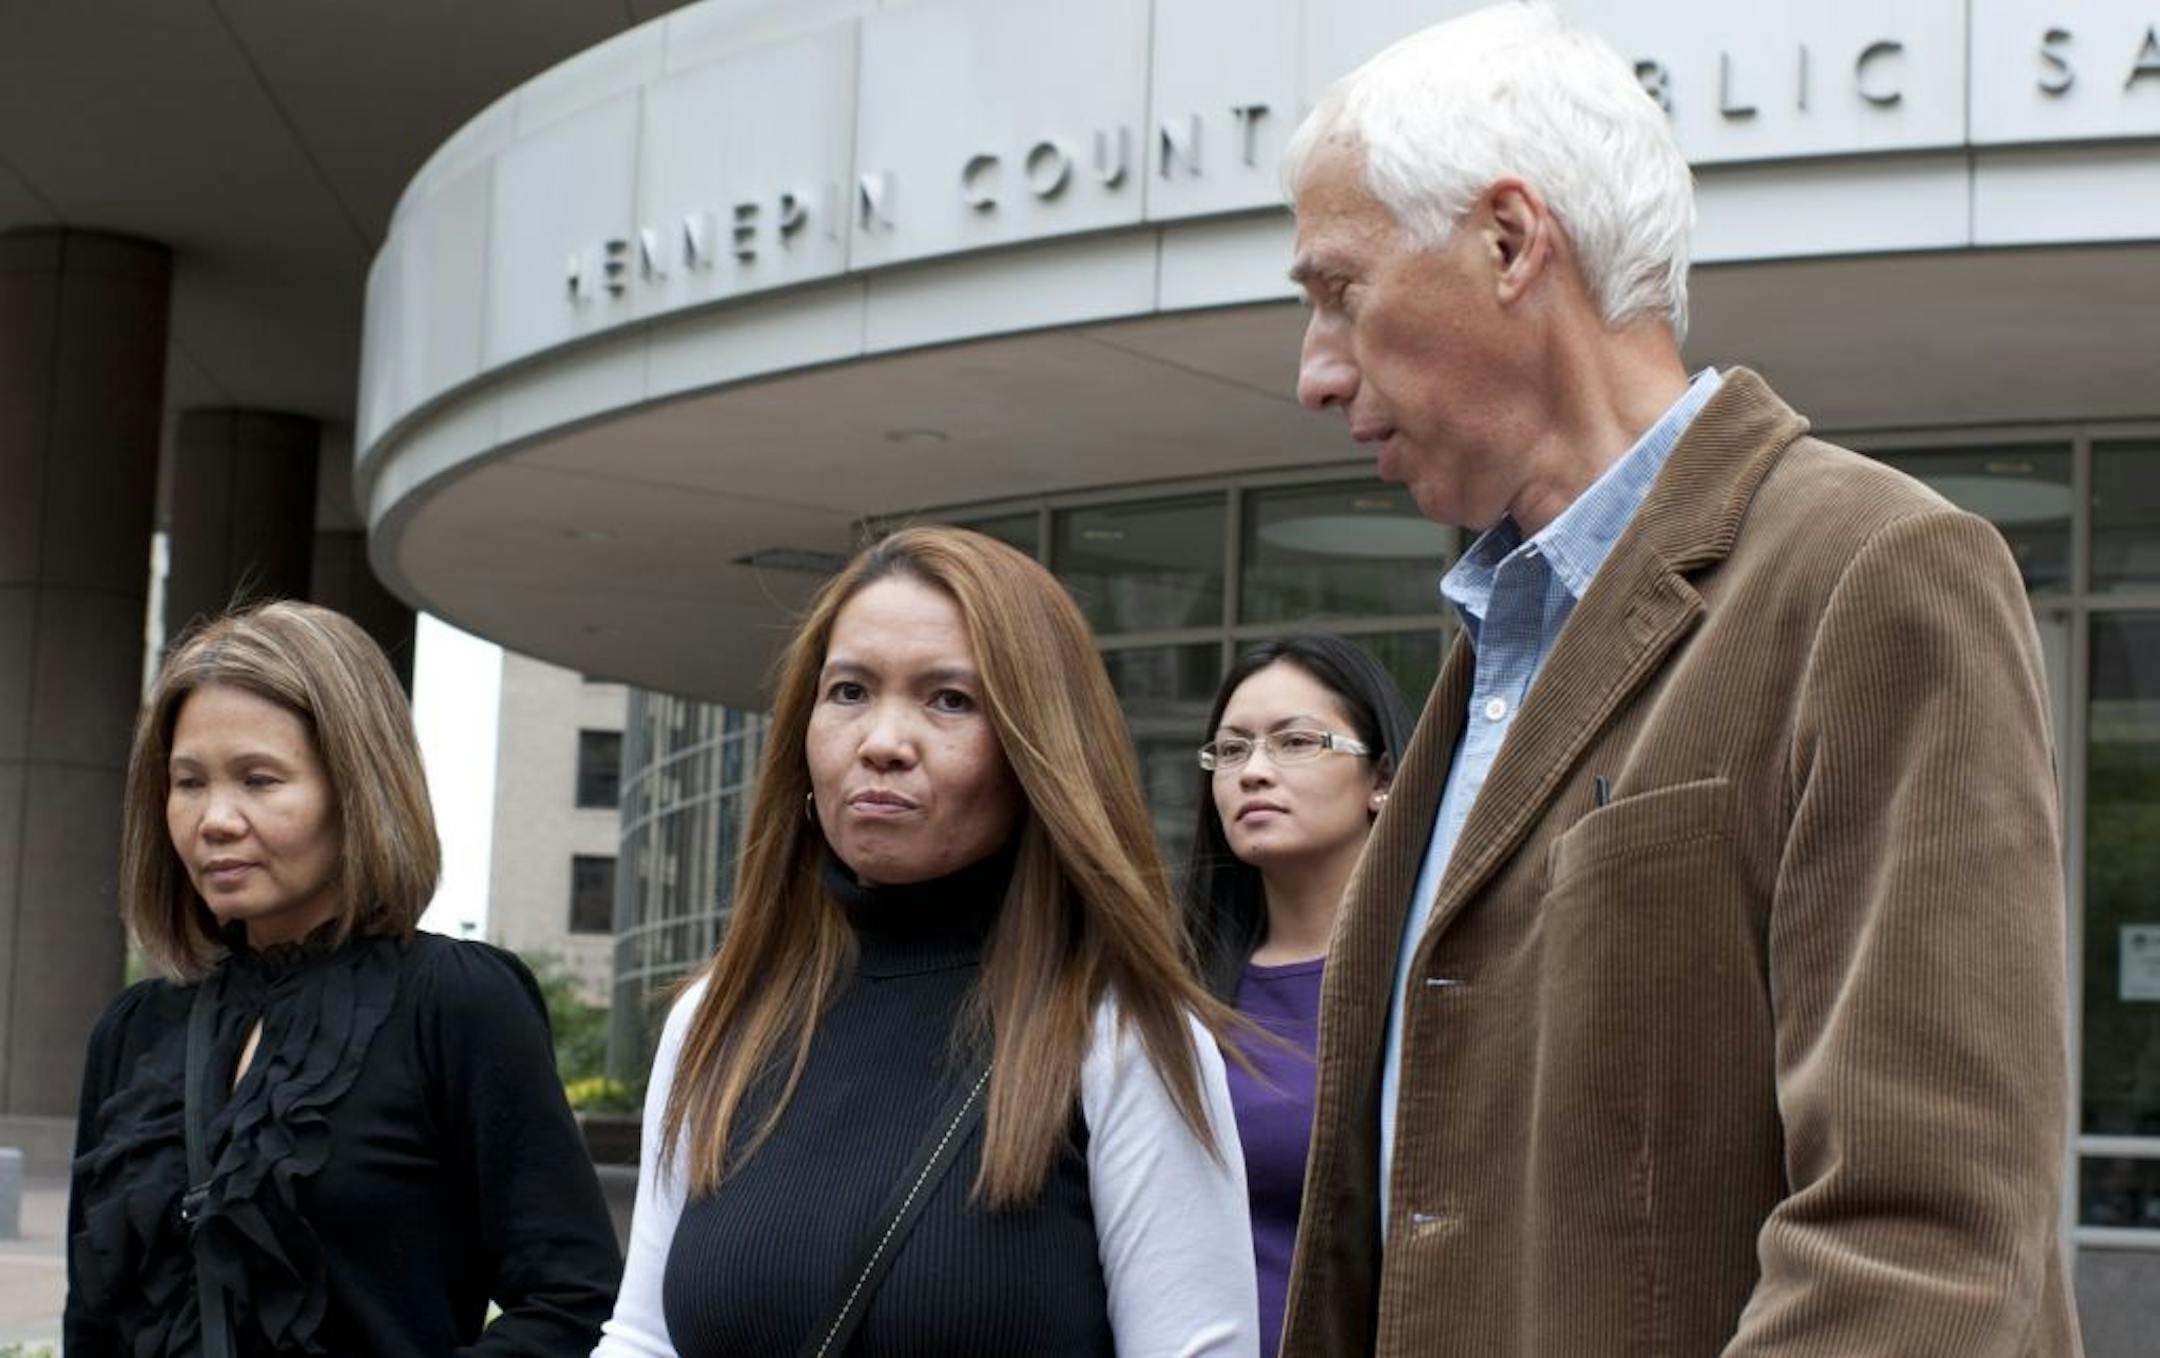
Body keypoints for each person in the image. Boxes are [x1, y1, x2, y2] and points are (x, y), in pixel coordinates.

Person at [1275, 4, 2081, 1354]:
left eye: (1338, 290)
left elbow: (1926, 1247)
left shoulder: (1876, 573)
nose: (1312, 371)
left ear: (1511, 240)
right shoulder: (1499, 645)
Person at [596, 525, 1258, 1357]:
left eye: (950, 699)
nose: (881, 742)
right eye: (849, 692)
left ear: (1037, 751)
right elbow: (645, 1341)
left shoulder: (1121, 1039)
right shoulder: (722, 1018)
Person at [65, 600, 622, 1356]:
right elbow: (94, 1321)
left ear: (355, 789)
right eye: (188, 782)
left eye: (259, 780)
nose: (214, 819)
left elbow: (569, 1296)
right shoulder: (134, 1031)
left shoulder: (456, 1001)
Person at [1183, 634, 1410, 1358]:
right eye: (1231, 750)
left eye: (1295, 742)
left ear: (1381, 777)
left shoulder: (1436, 983)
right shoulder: (1169, 991)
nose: (1253, 772)